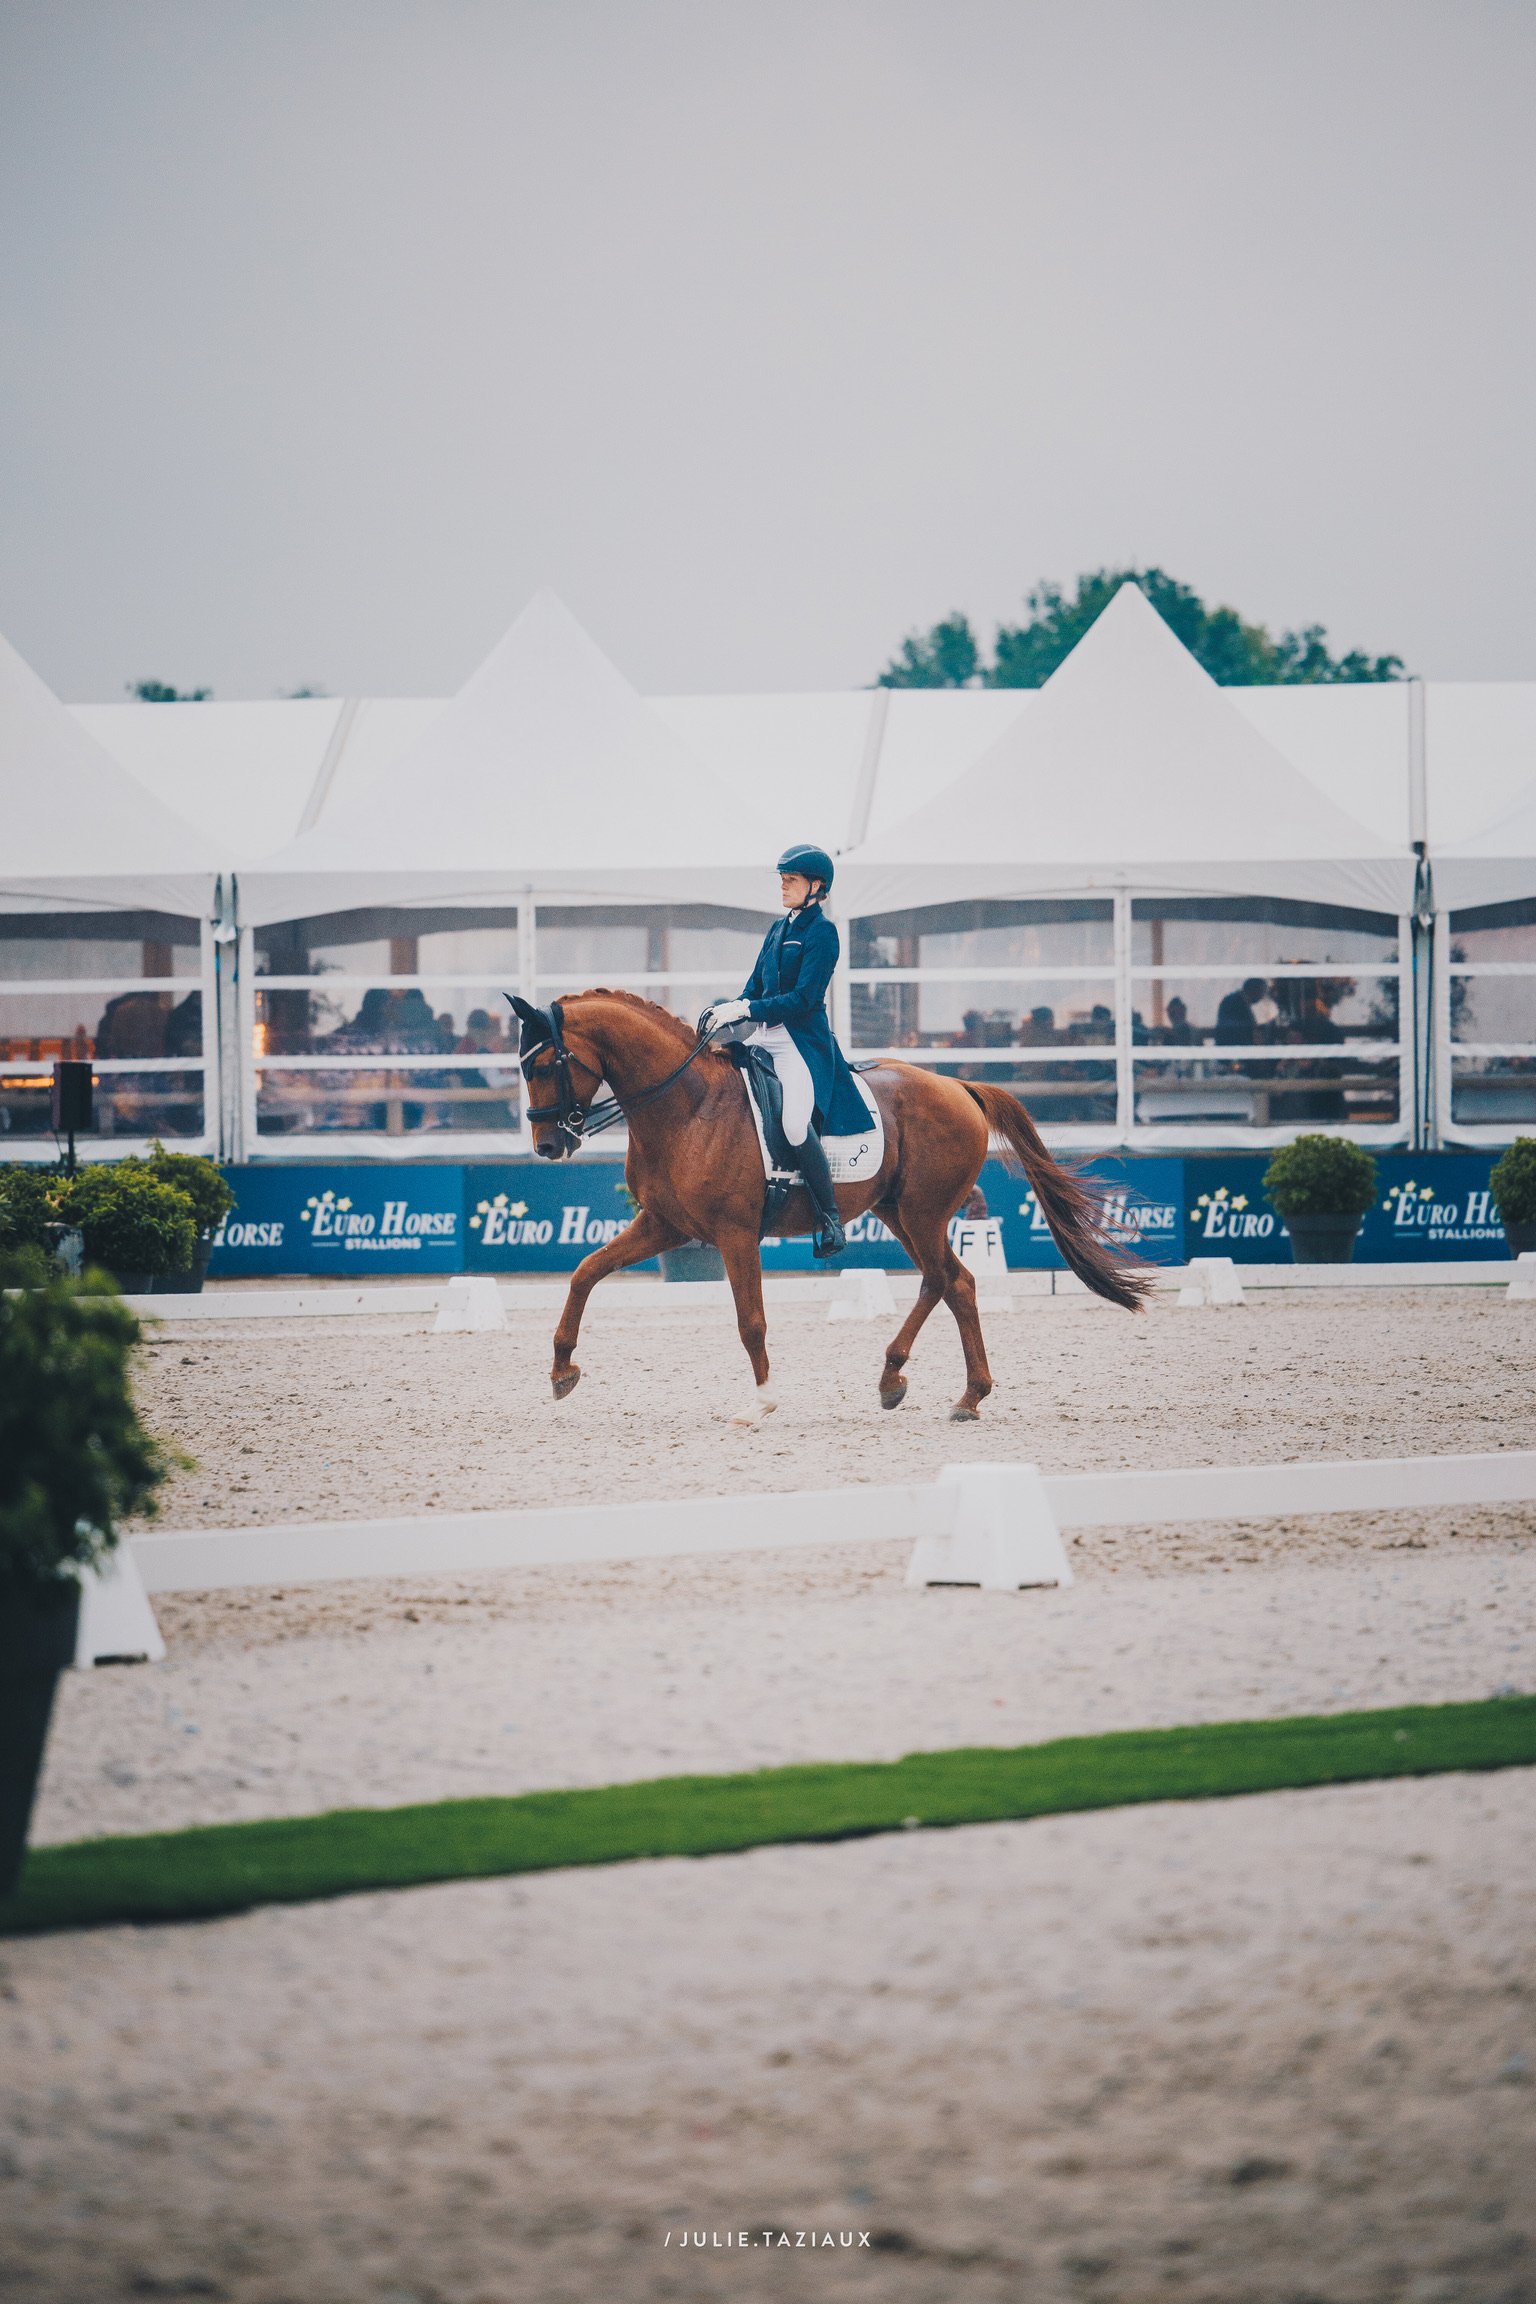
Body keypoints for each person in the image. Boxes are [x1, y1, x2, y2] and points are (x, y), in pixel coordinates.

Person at [700, 842, 869, 1258]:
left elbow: (804, 999)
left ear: (816, 886)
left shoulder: (822, 933)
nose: (783, 887)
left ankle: (828, 1217)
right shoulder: (778, 929)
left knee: (794, 1123)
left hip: (800, 1043)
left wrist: (749, 1007)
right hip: (763, 1035)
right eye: (782, 880)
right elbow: (755, 987)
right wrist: (732, 1011)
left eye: (790, 880)